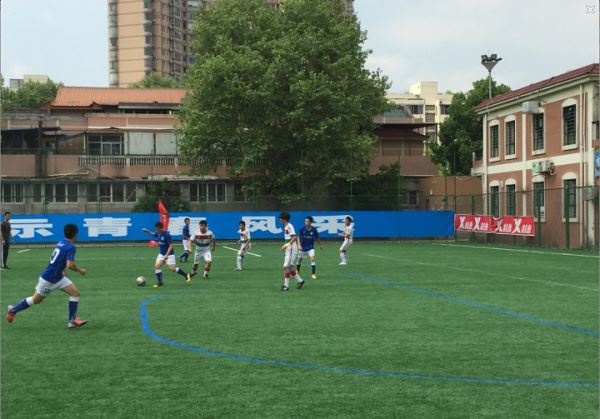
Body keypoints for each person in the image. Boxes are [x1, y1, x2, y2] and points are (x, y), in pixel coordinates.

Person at [6, 224, 88, 328]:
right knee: (36, 300)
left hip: (59, 277)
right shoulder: (71, 247)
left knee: (75, 293)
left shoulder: (61, 242)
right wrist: (80, 270)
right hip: (49, 279)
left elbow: (59, 259)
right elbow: (70, 265)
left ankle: (72, 321)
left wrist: (62, 270)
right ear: (75, 234)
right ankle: (13, 310)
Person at [142, 222, 191, 287]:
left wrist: (166, 255)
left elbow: (171, 246)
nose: (156, 230)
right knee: (157, 266)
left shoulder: (167, 235)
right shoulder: (159, 233)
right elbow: (154, 235)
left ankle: (186, 275)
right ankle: (160, 282)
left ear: (161, 228)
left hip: (169, 254)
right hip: (162, 254)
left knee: (172, 269)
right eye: (156, 229)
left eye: (157, 229)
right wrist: (147, 231)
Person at [279, 212, 304, 291]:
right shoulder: (286, 226)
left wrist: (287, 245)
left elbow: (294, 237)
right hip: (289, 249)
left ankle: (286, 286)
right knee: (289, 268)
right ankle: (300, 280)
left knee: (286, 267)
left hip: (292, 249)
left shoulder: (289, 226)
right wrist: (286, 246)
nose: (280, 220)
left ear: (284, 219)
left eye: (280, 219)